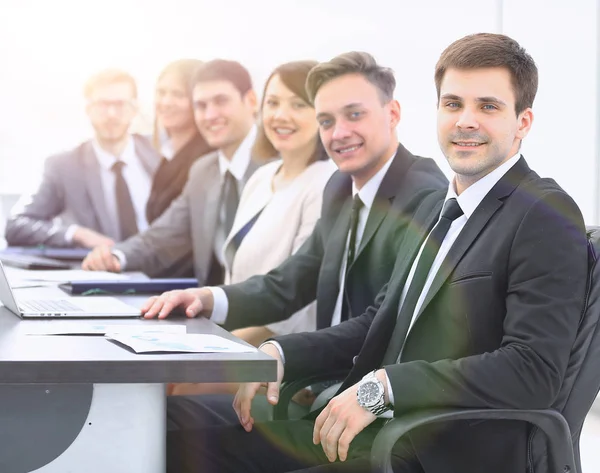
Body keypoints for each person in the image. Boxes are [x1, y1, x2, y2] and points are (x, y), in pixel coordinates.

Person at [166, 33, 589, 473]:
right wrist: (280, 355)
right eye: (452, 104)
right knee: (173, 434)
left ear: (523, 122)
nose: (465, 121)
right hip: (371, 435)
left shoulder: (543, 214)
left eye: (488, 106)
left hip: (437, 453)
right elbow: (378, 322)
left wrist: (385, 388)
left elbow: (533, 370)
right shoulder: (435, 209)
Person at [145, 51, 447, 424]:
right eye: (326, 120)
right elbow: (291, 282)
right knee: (161, 412)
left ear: (393, 114)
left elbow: (382, 320)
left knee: (173, 420)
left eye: (355, 115)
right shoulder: (340, 187)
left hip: (368, 412)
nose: (338, 133)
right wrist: (206, 298)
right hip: (318, 391)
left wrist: (282, 353)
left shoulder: (423, 195)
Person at [169, 60, 336, 397]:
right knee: (157, 382)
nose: (280, 115)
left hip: (281, 359)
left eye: (298, 104)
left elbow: (298, 304)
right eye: (273, 103)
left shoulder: (326, 183)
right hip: (235, 341)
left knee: (177, 391)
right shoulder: (261, 178)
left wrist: (217, 350)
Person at [82, 60, 261, 280]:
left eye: (221, 101)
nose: (210, 115)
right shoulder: (203, 171)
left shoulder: (278, 162)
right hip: (212, 306)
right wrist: (116, 256)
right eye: (201, 106)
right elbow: (165, 234)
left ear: (251, 100)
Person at [5, 69, 160, 248]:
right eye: (102, 104)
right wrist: (76, 233)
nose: (111, 113)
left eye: (120, 104)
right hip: (98, 271)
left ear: (134, 109)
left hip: (161, 270)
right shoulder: (64, 167)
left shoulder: (159, 154)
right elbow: (16, 224)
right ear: (88, 109)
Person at [146, 59, 214, 225]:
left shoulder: (206, 161)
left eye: (178, 94)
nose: (166, 102)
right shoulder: (166, 155)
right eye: (161, 92)